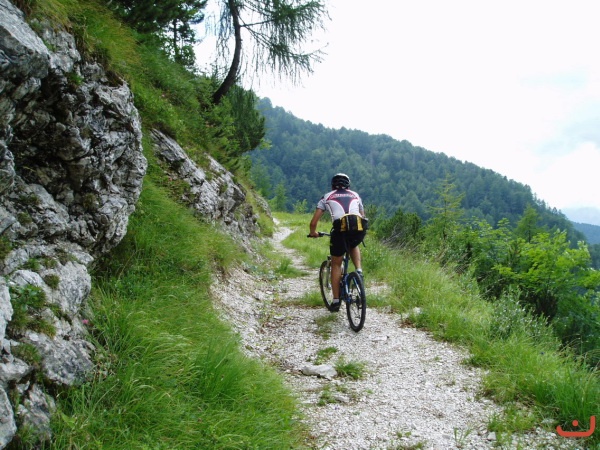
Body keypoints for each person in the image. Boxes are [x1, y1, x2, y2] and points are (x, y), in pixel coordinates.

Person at [309, 173, 366, 310]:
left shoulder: (326, 197)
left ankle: (335, 301)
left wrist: (313, 233)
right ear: (348, 185)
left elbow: (313, 223)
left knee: (336, 264)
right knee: (353, 243)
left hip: (340, 231)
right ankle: (359, 271)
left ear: (332, 185)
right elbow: (362, 216)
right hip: (359, 228)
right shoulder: (356, 195)